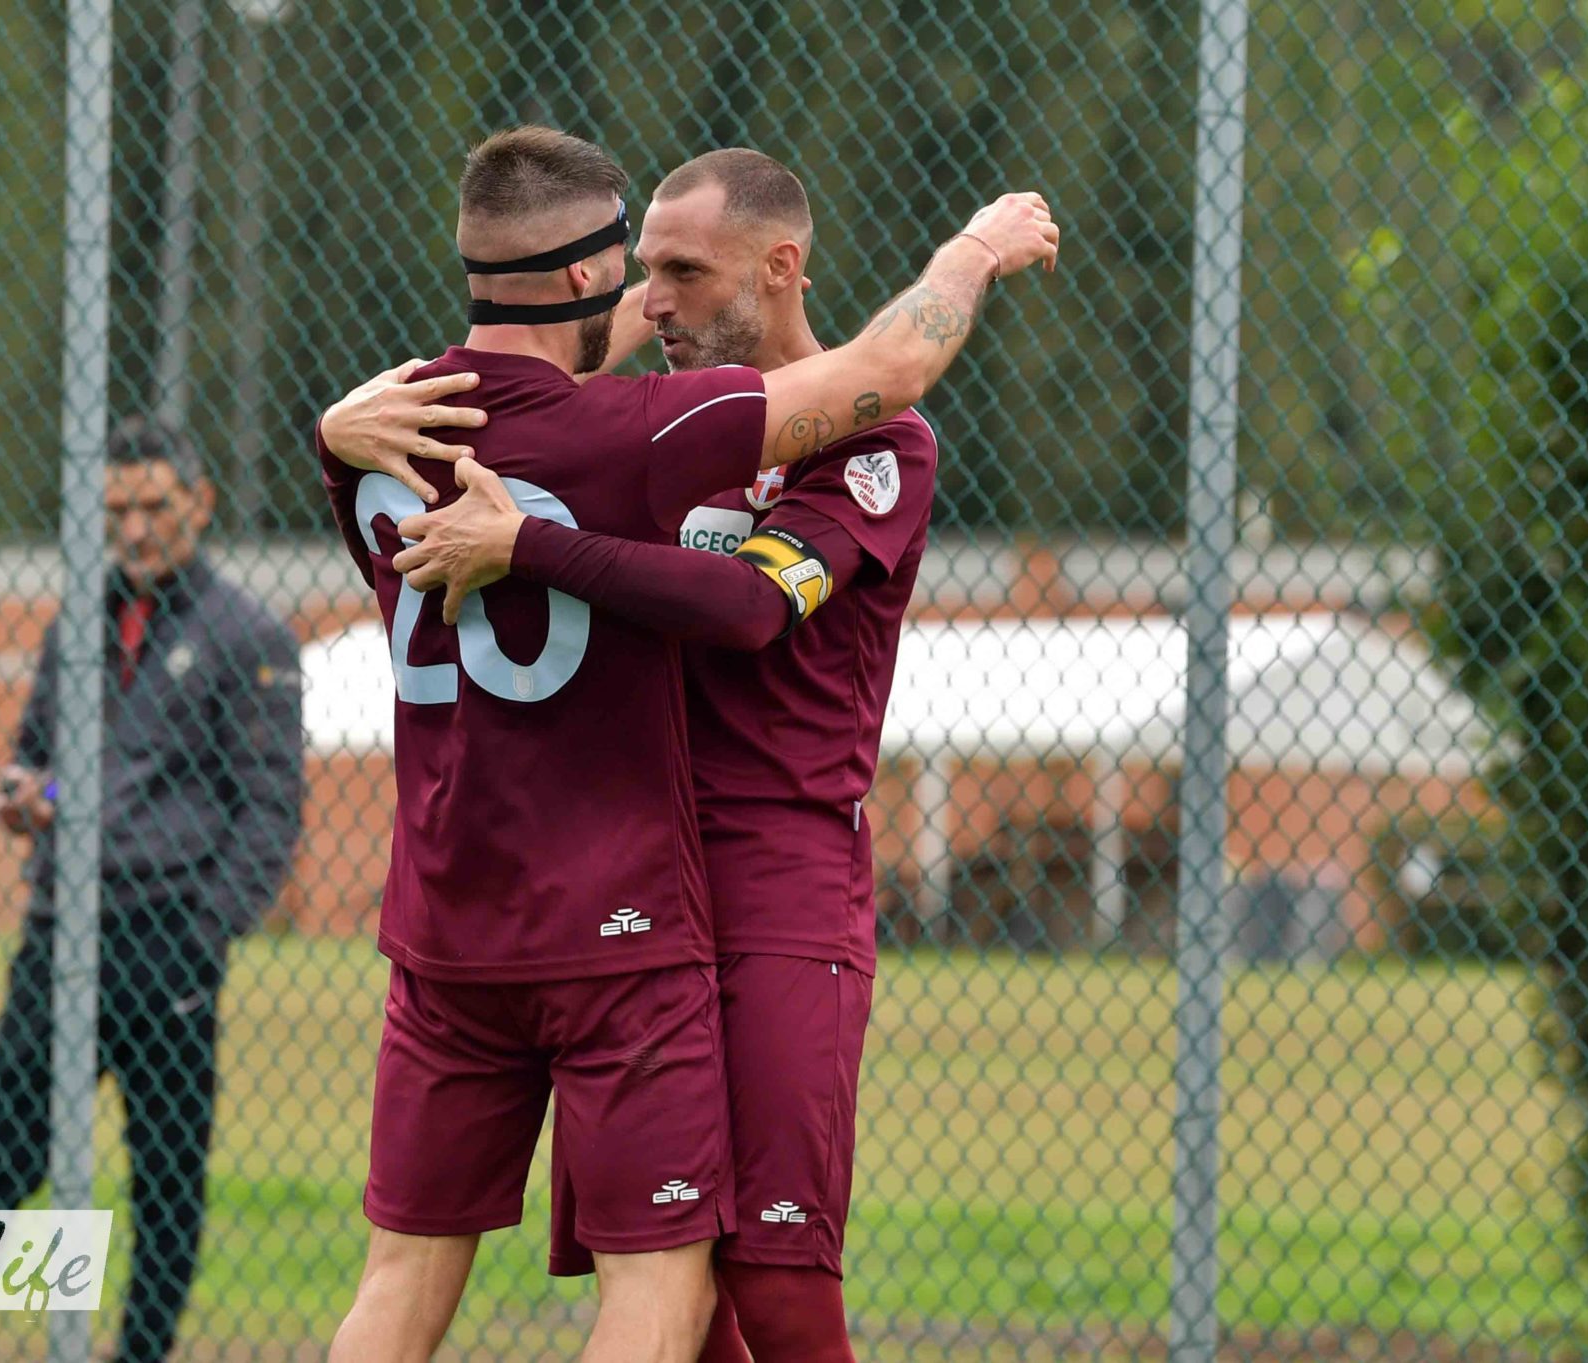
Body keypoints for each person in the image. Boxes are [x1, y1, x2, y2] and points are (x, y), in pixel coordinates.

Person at [314, 125, 1057, 1363]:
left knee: (770, 1275)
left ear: (778, 268)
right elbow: (553, 349)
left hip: (764, 880)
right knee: (678, 1291)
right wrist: (347, 420)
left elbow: (752, 603)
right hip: (629, 889)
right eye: (636, 269)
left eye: (681, 274)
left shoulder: (856, 444)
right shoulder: (637, 430)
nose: (649, 301)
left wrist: (975, 249)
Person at [0, 417, 305, 1363]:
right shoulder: (76, 622)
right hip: (61, 932)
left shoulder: (251, 635)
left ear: (199, 502)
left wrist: (203, 936)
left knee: (166, 1176)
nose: (136, 527)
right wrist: (28, 794)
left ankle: (139, 1354)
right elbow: (45, 761)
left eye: (154, 505)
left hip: (169, 940)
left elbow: (271, 811)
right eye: (118, 509)